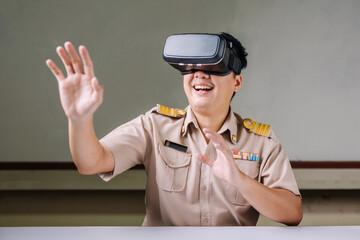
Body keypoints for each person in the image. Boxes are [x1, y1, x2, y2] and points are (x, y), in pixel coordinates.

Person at [46, 32, 302, 226]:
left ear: (237, 81)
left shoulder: (261, 142)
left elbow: (292, 213)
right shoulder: (154, 125)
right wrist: (79, 119)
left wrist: (241, 180)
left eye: (213, 68)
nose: (200, 75)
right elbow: (91, 163)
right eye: (190, 68)